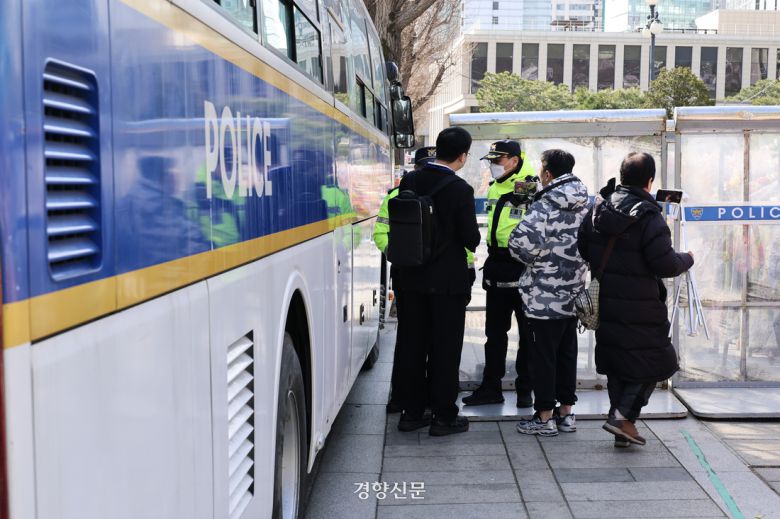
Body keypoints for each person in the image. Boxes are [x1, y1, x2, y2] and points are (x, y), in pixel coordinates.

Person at [577, 153, 694, 446]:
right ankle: (622, 418)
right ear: (650, 181)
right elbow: (665, 264)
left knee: (619, 361)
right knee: (658, 360)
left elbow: (584, 247)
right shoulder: (649, 215)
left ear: (622, 175)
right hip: (641, 303)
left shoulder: (599, 209)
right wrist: (687, 259)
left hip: (606, 298)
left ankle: (622, 429)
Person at [393, 127, 480, 436]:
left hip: (410, 278)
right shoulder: (460, 189)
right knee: (445, 348)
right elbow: (471, 238)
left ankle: (411, 413)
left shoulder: (410, 180)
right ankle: (443, 416)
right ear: (462, 156)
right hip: (447, 283)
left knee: (413, 345)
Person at [508, 149, 589, 437]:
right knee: (568, 353)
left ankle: (543, 417)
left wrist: (541, 258)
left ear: (548, 173)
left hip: (543, 295)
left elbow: (519, 245)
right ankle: (566, 413)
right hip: (575, 294)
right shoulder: (587, 202)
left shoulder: (544, 205)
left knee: (543, 356)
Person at [463, 140, 536, 408]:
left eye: (499, 160)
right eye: (492, 160)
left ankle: (525, 388)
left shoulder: (532, 186)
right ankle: (491, 386)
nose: (493, 165)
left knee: (528, 333)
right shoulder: (496, 186)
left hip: (524, 266)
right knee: (494, 332)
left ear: (514, 160)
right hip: (496, 263)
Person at [373, 146, 436, 413]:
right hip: (407, 274)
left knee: (426, 338)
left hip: (433, 278)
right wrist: (400, 255)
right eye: (425, 166)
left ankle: (423, 395)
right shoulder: (395, 197)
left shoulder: (441, 194)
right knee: (410, 338)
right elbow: (380, 233)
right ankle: (401, 396)